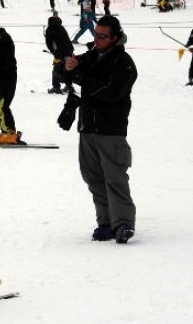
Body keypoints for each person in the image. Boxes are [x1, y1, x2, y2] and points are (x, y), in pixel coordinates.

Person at [59, 15, 137, 244]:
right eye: (96, 34)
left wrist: (80, 76)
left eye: (102, 36)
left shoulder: (124, 63)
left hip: (111, 131)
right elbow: (69, 74)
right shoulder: (92, 56)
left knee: (115, 177)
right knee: (93, 177)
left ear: (114, 37)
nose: (97, 39)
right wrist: (68, 67)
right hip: (87, 128)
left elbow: (112, 92)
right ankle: (105, 222)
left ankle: (123, 223)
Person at [44, 16, 74, 94]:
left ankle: (56, 87)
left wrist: (53, 51)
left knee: (56, 70)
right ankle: (69, 86)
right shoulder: (61, 28)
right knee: (68, 68)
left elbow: (49, 43)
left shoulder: (50, 29)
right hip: (69, 50)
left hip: (59, 53)